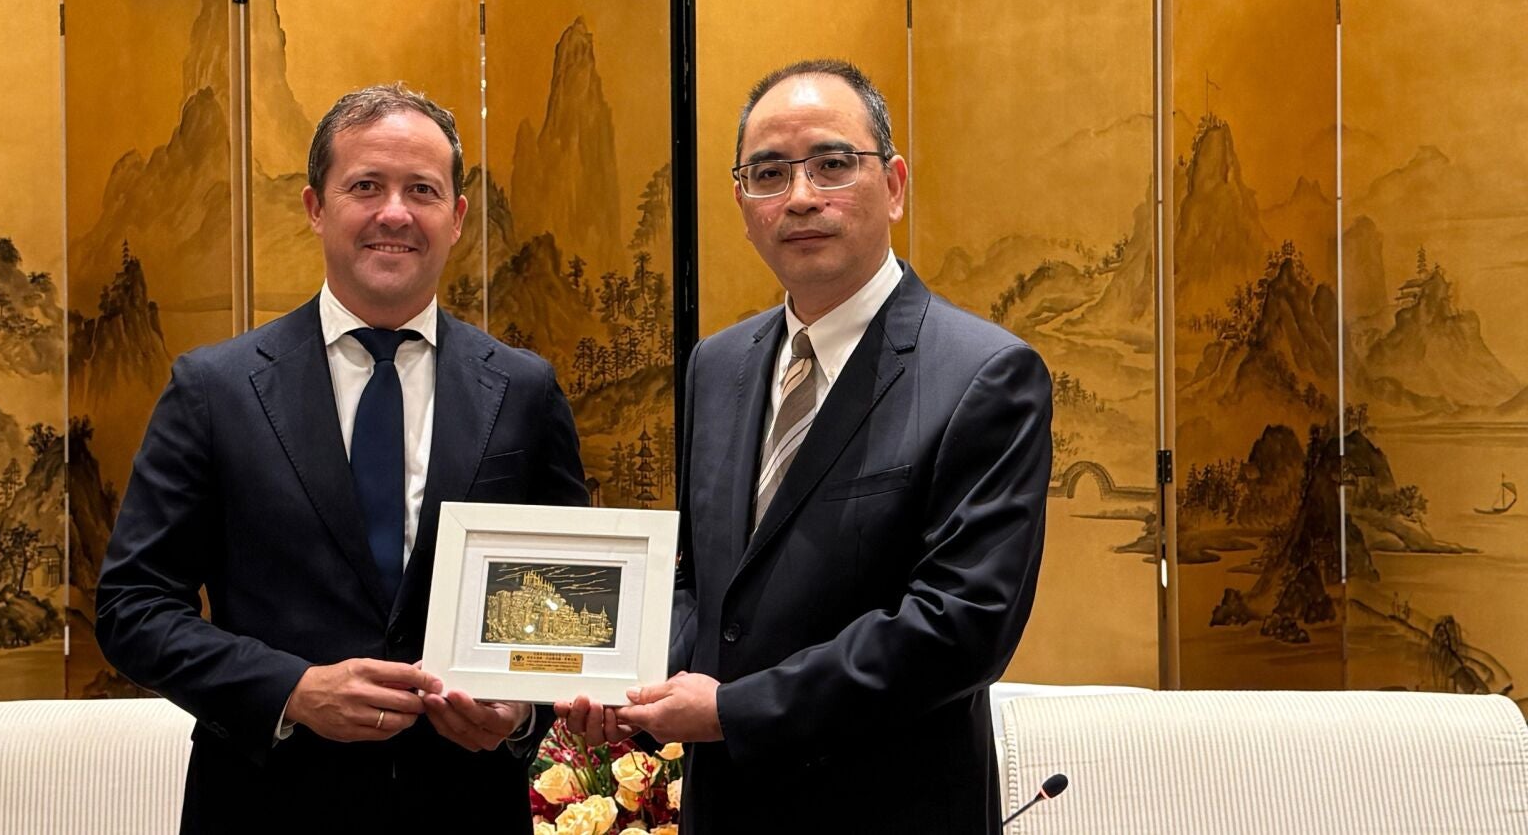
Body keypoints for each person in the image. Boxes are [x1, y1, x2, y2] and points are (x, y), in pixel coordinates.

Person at [564, 59, 1051, 833]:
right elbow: (703, 585)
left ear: (894, 185)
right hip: (725, 811)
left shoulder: (983, 375)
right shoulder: (718, 366)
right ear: (742, 203)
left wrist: (732, 710)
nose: (799, 197)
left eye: (831, 164)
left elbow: (959, 627)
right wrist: (634, 681)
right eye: (768, 173)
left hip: (889, 811)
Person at [96, 83, 587, 833]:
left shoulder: (524, 390)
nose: (395, 212)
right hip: (266, 805)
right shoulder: (214, 390)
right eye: (365, 186)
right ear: (315, 207)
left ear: (457, 217)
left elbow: (568, 609)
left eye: (422, 190)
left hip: (464, 806)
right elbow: (132, 606)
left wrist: (521, 712)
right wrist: (290, 690)